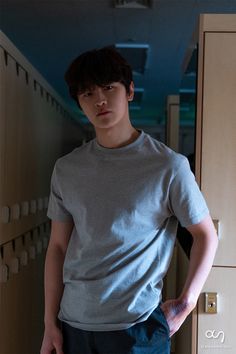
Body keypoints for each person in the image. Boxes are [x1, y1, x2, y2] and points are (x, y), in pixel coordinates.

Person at [40, 46, 218, 354]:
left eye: (109, 88)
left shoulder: (168, 166)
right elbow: (57, 248)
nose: (100, 100)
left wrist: (187, 303)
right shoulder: (67, 169)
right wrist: (49, 323)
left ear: (130, 91)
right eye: (87, 93)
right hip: (74, 324)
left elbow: (205, 235)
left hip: (138, 328)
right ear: (79, 102)